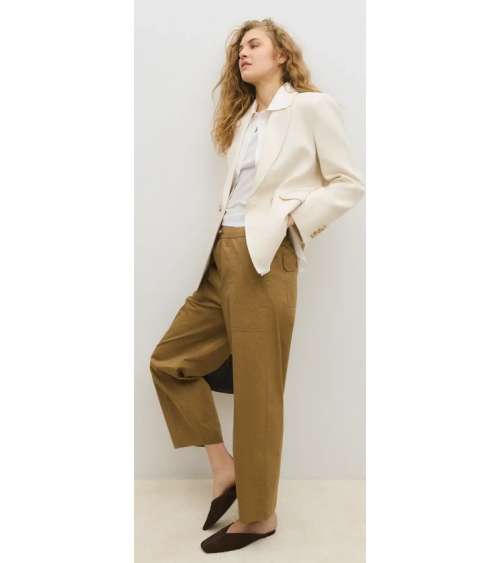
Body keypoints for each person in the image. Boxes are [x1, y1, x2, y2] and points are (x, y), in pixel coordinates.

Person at [149, 18, 365, 553]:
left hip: (266, 257)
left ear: (281, 55)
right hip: (222, 253)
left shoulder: (311, 107)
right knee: (169, 362)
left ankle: (260, 516)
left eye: (254, 45)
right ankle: (224, 467)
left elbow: (348, 183)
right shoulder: (246, 118)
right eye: (239, 48)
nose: (242, 54)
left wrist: (294, 219)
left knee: (257, 390)